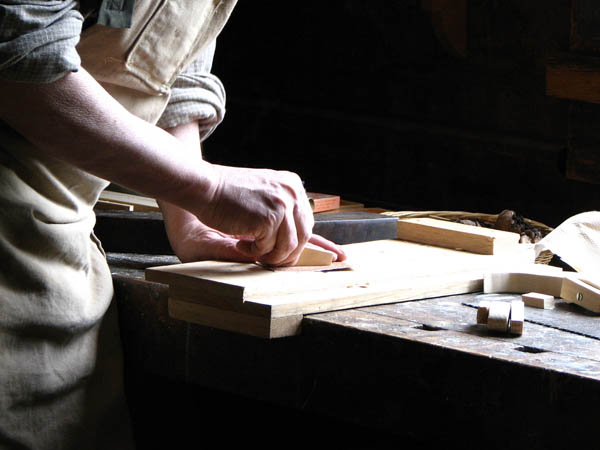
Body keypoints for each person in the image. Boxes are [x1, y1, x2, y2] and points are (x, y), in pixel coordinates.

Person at [0, 1, 346, 448]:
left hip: (58, 255)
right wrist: (210, 188)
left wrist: (191, 217)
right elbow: (18, 56)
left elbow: (173, 59)